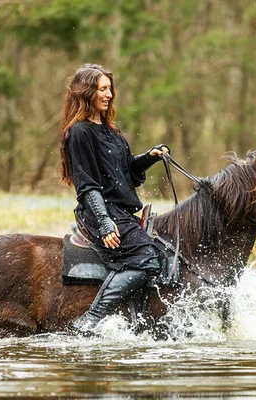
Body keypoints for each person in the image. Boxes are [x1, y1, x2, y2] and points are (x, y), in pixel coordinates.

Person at [59, 64, 169, 334]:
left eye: (110, 89)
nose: (108, 95)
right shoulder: (80, 132)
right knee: (147, 259)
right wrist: (105, 223)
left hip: (119, 210)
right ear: (87, 92)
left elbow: (126, 171)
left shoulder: (112, 130)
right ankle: (90, 319)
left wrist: (150, 157)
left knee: (161, 255)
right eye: (102, 89)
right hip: (100, 213)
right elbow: (87, 186)